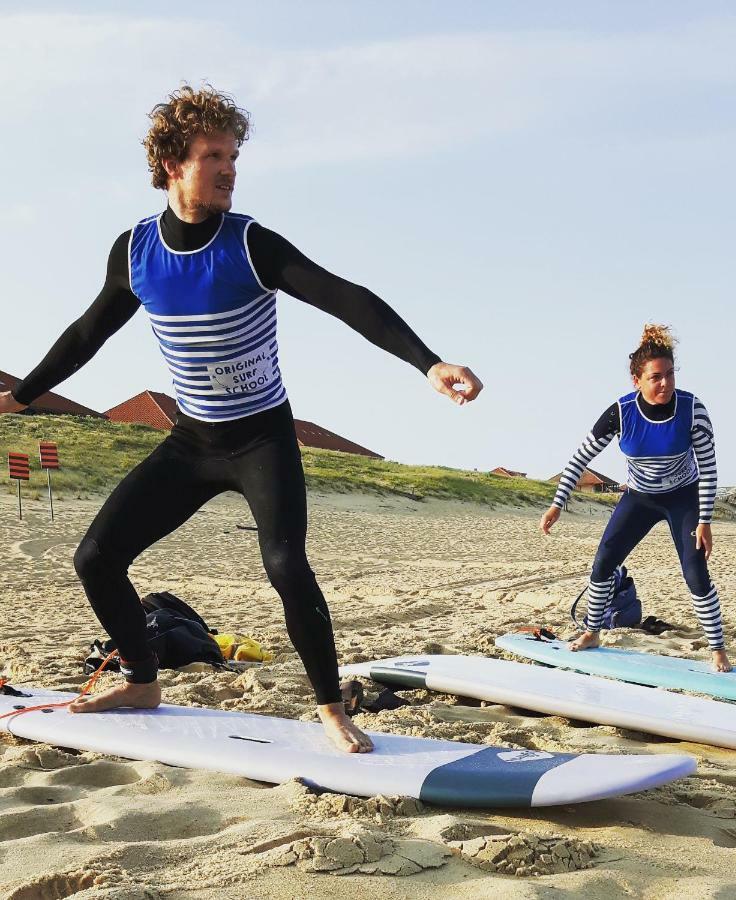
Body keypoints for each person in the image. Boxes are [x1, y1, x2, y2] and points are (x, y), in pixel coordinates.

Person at [0, 85, 482, 753]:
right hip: (193, 441)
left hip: (261, 437)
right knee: (95, 557)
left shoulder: (250, 243)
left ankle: (330, 707)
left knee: (285, 564)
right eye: (213, 156)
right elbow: (88, 333)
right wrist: (22, 397)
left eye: (233, 155)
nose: (229, 169)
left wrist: (428, 364)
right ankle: (142, 679)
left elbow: (347, 299)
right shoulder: (136, 252)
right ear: (173, 164)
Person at [540, 324, 731, 672]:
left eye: (670, 375)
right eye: (656, 377)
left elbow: (709, 467)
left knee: (695, 572)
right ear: (636, 380)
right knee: (602, 565)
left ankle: (718, 650)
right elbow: (580, 459)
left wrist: (705, 521)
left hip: (683, 497)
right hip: (639, 498)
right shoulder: (621, 412)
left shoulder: (692, 409)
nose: (665, 384)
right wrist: (558, 503)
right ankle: (592, 632)